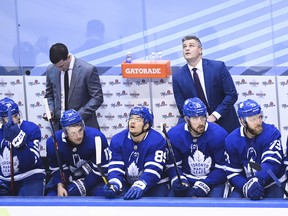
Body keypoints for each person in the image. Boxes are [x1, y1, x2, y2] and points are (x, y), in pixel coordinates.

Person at [172, 35, 240, 133]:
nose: (187, 48)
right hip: (196, 127)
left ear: (200, 50)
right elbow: (181, 106)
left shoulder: (218, 67)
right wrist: (198, 121)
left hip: (224, 121)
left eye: (191, 46)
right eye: (184, 46)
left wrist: (214, 116)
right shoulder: (178, 76)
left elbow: (231, 95)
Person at [103, 106, 169, 200]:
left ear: (146, 125)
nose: (132, 122)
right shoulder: (118, 139)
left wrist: (141, 184)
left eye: (138, 119)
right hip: (128, 183)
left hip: (155, 185)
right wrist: (114, 183)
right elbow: (116, 167)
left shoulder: (157, 140)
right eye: (131, 118)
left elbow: (153, 170)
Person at [166, 97, 228, 198]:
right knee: (170, 205)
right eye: (195, 118)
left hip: (212, 181)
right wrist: (178, 179)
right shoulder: (174, 135)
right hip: (187, 180)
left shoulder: (219, 134)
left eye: (202, 117)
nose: (200, 122)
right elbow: (173, 165)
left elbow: (223, 167)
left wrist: (206, 183)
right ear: (186, 119)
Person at [225, 99, 287, 199]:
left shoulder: (271, 133)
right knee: (233, 207)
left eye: (260, 117)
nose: (258, 122)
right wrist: (245, 187)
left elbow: (272, 163)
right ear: (242, 121)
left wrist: (258, 179)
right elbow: (233, 172)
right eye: (253, 119)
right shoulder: (231, 140)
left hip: (272, 182)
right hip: (247, 184)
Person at [45, 109, 109, 196]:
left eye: (80, 130)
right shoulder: (53, 142)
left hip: (93, 177)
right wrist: (60, 185)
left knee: (102, 194)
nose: (78, 136)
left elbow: (102, 169)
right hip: (68, 176)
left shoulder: (97, 138)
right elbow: (57, 168)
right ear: (65, 133)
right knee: (51, 197)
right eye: (73, 133)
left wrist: (82, 186)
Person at [44, 43, 103, 131]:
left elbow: (97, 98)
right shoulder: (51, 69)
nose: (60, 69)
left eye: (61, 66)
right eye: (57, 67)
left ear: (68, 57)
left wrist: (78, 116)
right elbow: (49, 95)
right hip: (60, 127)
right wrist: (51, 110)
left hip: (83, 125)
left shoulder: (87, 70)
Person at [0, 97, 45, 196]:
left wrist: (19, 143)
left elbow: (30, 162)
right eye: (9, 118)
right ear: (1, 120)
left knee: (29, 206)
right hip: (4, 180)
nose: (14, 120)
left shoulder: (30, 129)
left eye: (15, 116)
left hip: (30, 176)